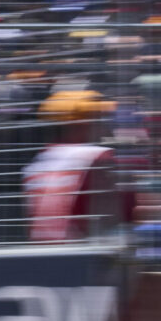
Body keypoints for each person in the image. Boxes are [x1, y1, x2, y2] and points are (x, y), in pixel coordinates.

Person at [23, 90, 124, 241]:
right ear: (81, 125)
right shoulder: (98, 157)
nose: (107, 128)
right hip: (84, 253)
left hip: (43, 254)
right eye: (100, 119)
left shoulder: (35, 165)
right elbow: (123, 212)